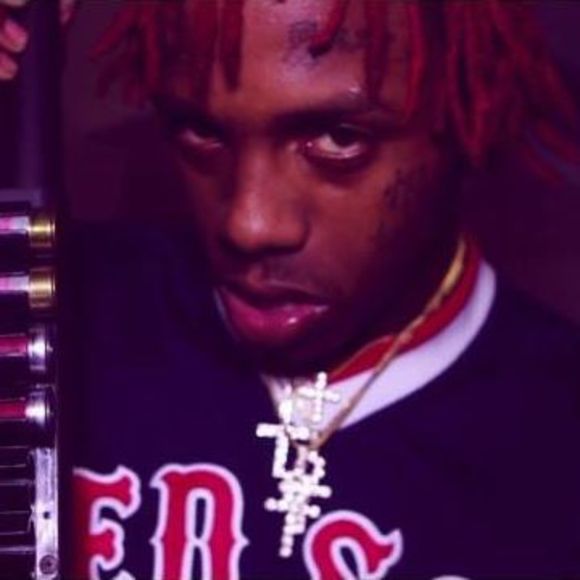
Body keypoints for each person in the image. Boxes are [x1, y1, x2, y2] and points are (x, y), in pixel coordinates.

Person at [3, 0, 580, 578]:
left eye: (339, 138)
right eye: (202, 131)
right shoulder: (49, 310)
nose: (249, 225)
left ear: (470, 108)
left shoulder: (556, 436)